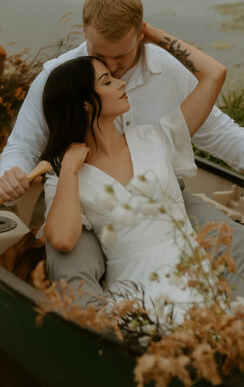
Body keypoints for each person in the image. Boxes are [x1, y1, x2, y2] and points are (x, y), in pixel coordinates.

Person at [0, 0, 244, 303]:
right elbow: (22, 145)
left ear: (141, 33)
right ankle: (103, 339)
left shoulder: (168, 74)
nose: (112, 69)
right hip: (83, 203)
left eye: (121, 56)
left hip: (161, 192)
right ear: (84, 31)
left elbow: (216, 128)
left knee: (237, 241)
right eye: (100, 57)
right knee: (72, 269)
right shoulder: (59, 80)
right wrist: (12, 173)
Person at [40, 49, 225, 320]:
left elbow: (214, 74)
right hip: (132, 296)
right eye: (107, 81)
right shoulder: (64, 173)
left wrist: (147, 34)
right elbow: (63, 239)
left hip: (192, 281)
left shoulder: (157, 136)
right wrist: (69, 169)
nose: (121, 83)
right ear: (85, 104)